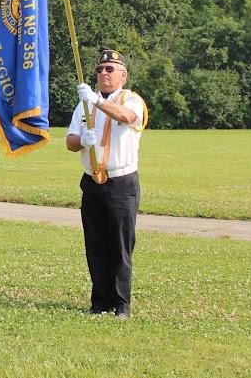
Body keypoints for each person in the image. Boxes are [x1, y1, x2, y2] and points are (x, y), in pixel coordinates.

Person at [66, 48, 148, 319]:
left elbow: (127, 117)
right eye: (100, 70)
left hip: (121, 182)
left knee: (120, 245)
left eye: (110, 70)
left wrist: (96, 101)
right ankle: (99, 301)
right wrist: (83, 141)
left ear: (123, 75)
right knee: (95, 243)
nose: (104, 74)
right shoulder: (84, 102)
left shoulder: (131, 99)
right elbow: (70, 141)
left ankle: (121, 303)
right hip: (92, 180)